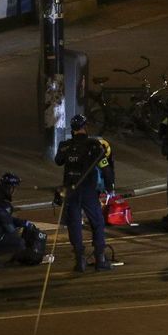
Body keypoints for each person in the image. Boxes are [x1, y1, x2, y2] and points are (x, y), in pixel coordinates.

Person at [56, 114, 116, 272]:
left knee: (74, 224)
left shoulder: (65, 145)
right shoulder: (94, 145)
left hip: (70, 190)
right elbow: (105, 167)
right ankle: (100, 259)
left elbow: (58, 161)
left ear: (72, 129)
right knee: (97, 223)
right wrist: (110, 187)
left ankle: (80, 260)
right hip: (88, 191)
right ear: (85, 127)